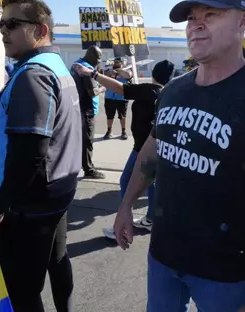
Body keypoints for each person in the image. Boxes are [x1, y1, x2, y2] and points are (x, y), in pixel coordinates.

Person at [113, 0, 245, 312]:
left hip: (226, 274)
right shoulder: (174, 90)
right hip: (163, 258)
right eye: (192, 17)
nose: (197, 25)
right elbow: (152, 152)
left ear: (243, 20)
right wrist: (126, 204)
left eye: (213, 14)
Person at [0, 0, 81, 312]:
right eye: (0, 25)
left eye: (12, 24)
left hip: (29, 204)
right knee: (57, 261)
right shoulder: (56, 67)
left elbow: (30, 152)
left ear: (41, 30)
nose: (3, 32)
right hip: (56, 192)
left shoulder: (33, 75)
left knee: (22, 292)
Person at [72, 59, 178, 238]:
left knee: (126, 182)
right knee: (151, 184)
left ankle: (122, 225)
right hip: (157, 147)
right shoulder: (166, 92)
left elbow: (120, 89)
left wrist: (92, 74)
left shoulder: (149, 90)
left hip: (143, 148)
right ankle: (151, 219)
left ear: (154, 74)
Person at [71, 45, 106, 179]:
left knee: (79, 140)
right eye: (98, 58)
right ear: (92, 56)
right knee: (87, 140)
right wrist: (103, 88)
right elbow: (92, 92)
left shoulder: (76, 64)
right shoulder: (87, 70)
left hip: (77, 107)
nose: (99, 61)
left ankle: (76, 165)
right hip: (87, 109)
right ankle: (88, 169)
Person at [102, 57, 132, 140]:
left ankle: (123, 131)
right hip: (109, 97)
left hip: (121, 97)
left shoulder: (128, 70)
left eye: (118, 62)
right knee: (109, 115)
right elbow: (103, 74)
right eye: (115, 62)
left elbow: (128, 75)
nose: (116, 63)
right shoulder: (109, 71)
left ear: (123, 63)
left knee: (122, 116)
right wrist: (110, 71)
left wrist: (118, 71)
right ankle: (109, 131)